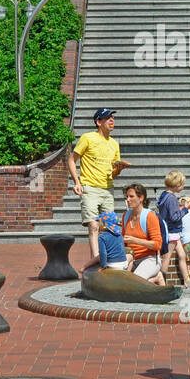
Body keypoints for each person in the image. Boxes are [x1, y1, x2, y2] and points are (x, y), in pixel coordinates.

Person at [69, 108, 129, 269]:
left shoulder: (114, 144)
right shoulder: (88, 138)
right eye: (107, 118)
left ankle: (106, 260)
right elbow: (71, 160)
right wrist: (77, 182)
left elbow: (113, 173)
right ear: (98, 122)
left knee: (109, 226)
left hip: (108, 189)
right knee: (94, 225)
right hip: (90, 187)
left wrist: (120, 169)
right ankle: (96, 262)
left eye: (112, 118)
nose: (111, 121)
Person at [121, 183, 165, 284]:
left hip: (150, 259)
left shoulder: (150, 216)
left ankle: (157, 277)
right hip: (131, 258)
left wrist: (135, 240)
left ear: (141, 198)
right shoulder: (125, 216)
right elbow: (123, 242)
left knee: (134, 284)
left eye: (131, 196)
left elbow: (157, 244)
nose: (128, 199)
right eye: (126, 196)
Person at [157, 171, 190, 284]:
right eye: (182, 184)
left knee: (182, 255)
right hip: (171, 232)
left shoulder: (164, 195)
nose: (183, 186)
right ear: (176, 185)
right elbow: (175, 217)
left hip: (172, 231)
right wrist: (185, 209)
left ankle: (187, 280)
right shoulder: (171, 198)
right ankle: (162, 282)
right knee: (167, 258)